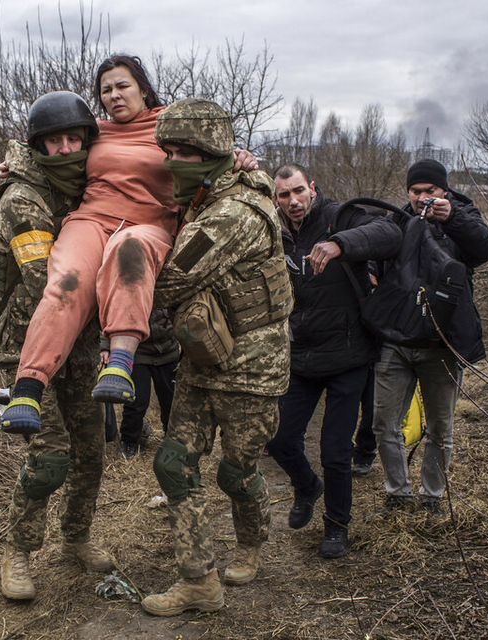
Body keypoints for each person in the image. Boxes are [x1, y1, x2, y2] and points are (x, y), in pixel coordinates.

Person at [0, 55, 258, 434]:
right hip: (90, 219)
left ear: (142, 88)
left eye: (122, 85)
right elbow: (51, 149)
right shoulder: (95, 131)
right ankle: (28, 388)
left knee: (129, 250)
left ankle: (120, 362)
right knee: (65, 282)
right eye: (106, 90)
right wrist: (15, 166)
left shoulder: (170, 123)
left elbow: (208, 151)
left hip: (149, 223)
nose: (114, 95)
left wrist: (239, 156)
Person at [140, 98, 292, 617]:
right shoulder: (208, 193)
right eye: (169, 150)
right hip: (202, 361)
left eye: (184, 152)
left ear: (210, 153)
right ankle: (200, 581)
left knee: (235, 471)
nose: (172, 161)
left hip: (251, 369)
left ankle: (251, 544)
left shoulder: (232, 214)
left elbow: (169, 280)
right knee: (173, 464)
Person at [0, 91, 114, 601]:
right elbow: (49, 283)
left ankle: (76, 536)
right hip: (28, 351)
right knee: (51, 457)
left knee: (92, 452)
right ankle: (17, 549)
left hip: (80, 346)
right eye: (53, 142)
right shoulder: (23, 199)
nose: (65, 150)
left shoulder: (90, 186)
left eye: (73, 139)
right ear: (37, 146)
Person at [265, 164, 401, 558]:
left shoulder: (339, 216)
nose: (292, 201)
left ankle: (337, 526)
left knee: (335, 452)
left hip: (348, 355)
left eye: (297, 192)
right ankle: (308, 486)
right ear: (275, 199)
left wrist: (341, 242)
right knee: (279, 439)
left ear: (312, 188)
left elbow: (390, 232)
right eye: (283, 195)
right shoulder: (274, 232)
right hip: (302, 355)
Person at [372, 159, 488, 515]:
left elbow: (485, 249)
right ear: (408, 192)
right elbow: (374, 254)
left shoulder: (463, 217)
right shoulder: (397, 219)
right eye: (416, 191)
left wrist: (450, 217)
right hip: (396, 342)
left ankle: (432, 499)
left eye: (430, 191)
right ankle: (397, 493)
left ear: (444, 190)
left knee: (440, 427)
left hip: (442, 344)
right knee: (384, 424)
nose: (422, 197)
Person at [102, 308, 179, 459]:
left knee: (171, 400)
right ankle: (130, 443)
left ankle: (172, 439)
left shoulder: (171, 285)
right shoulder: (127, 285)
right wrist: (105, 347)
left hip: (168, 352)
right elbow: (110, 315)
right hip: (137, 353)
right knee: (136, 402)